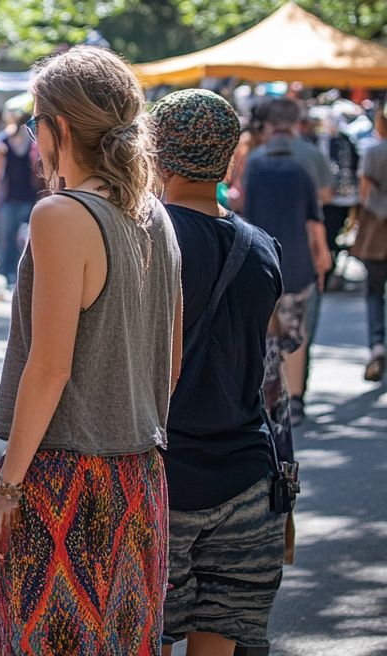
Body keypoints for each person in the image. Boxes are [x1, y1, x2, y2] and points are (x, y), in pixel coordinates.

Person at [0, 47, 182, 655]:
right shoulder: (151, 216)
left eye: (34, 121)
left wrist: (7, 487)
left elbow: (50, 366)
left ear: (59, 127)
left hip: (65, 480)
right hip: (139, 480)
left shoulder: (62, 214)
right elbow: (170, 362)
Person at [151, 90, 287, 656]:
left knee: (139, 634)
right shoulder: (263, 250)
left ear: (154, 156)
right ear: (232, 157)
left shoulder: (146, 242)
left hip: (159, 479)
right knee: (221, 641)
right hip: (248, 480)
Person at [241, 98, 332, 431]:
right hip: (297, 260)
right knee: (295, 332)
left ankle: (266, 394)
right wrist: (322, 256)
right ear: (296, 123)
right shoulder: (306, 162)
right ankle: (295, 400)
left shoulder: (254, 162)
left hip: (261, 260)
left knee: (266, 331)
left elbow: (244, 210)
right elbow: (317, 216)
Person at [354, 103, 387, 382]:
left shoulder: (373, 152)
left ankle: (377, 345)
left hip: (378, 225)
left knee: (374, 291)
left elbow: (364, 192)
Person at [0, 109, 44, 288]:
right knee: (18, 237)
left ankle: (13, 273)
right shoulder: (12, 142)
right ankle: (12, 272)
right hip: (20, 196)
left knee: (14, 237)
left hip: (18, 196)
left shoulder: (19, 143)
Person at [314, 108, 360, 290]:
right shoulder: (341, 140)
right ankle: (327, 272)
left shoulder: (341, 141)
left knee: (331, 236)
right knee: (330, 236)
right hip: (337, 199)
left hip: (338, 199)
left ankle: (327, 272)